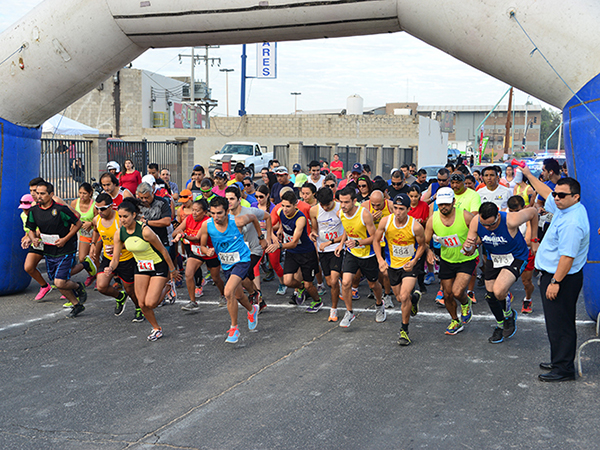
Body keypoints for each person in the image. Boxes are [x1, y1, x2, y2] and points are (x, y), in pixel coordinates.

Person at [521, 166, 589, 382]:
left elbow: (567, 257)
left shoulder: (572, 222)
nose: (556, 198)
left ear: (575, 196)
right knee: (557, 322)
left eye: (561, 195)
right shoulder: (566, 208)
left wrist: (556, 281)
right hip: (557, 276)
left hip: (562, 278)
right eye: (556, 194)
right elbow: (545, 192)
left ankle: (563, 369)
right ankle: (560, 359)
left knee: (560, 324)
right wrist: (529, 175)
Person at [464, 201, 538, 343]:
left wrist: (534, 239)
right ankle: (500, 324)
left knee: (499, 291)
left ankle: (509, 315)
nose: (487, 228)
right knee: (490, 296)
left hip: (515, 257)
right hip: (495, 257)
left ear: (498, 216)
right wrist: (468, 247)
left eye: (491, 225)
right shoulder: (475, 221)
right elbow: (470, 249)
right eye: (484, 225)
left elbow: (533, 213)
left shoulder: (511, 219)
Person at [108, 198, 180, 341]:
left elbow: (164, 251)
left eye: (125, 216)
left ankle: (167, 287)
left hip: (158, 265)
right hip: (141, 266)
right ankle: (156, 328)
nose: (122, 220)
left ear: (134, 215)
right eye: (120, 216)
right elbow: (115, 258)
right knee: (142, 304)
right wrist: (110, 268)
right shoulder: (119, 233)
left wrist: (172, 271)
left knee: (151, 303)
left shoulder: (145, 231)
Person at [200, 196, 260, 344]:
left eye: (219, 213)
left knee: (228, 292)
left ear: (227, 211)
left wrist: (262, 237)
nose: (216, 217)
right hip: (226, 264)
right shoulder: (207, 225)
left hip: (242, 260)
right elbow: (202, 245)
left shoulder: (237, 221)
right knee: (238, 295)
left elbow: (253, 217)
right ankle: (252, 310)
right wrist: (206, 251)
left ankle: (234, 328)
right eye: (213, 213)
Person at [26, 182, 87, 318]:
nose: (39, 196)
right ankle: (77, 304)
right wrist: (34, 238)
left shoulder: (60, 210)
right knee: (58, 282)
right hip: (49, 250)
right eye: (37, 193)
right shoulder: (34, 211)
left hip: (65, 249)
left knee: (60, 281)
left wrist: (65, 239)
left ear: (51, 194)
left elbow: (78, 223)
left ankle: (78, 286)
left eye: (42, 193)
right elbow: (31, 229)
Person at [373, 194, 426, 346]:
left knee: (403, 296)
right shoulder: (386, 221)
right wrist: (380, 260)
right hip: (393, 265)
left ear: (409, 209)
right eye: (395, 208)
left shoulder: (415, 226)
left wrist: (414, 260)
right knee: (399, 298)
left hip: (409, 265)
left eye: (402, 209)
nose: (398, 212)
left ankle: (404, 331)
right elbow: (376, 241)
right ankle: (414, 299)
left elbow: (422, 245)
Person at [424, 187, 476, 335]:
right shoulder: (433, 219)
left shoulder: (465, 216)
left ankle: (466, 303)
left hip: (466, 258)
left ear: (454, 202)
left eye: (446, 203)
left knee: (457, 291)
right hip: (447, 260)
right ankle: (455, 320)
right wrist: (428, 252)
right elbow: (425, 242)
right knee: (447, 295)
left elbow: (480, 233)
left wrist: (473, 245)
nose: (443, 207)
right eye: (440, 204)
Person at [335, 186, 386, 327]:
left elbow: (375, 237)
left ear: (354, 201)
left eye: (346, 202)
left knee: (373, 284)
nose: (343, 205)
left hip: (368, 254)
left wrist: (358, 242)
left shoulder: (364, 214)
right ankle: (349, 312)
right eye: (341, 202)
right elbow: (346, 228)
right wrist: (341, 243)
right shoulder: (341, 213)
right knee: (345, 283)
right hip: (352, 253)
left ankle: (379, 305)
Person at [266, 190, 323, 313]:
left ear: (295, 205)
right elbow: (273, 221)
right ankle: (301, 287)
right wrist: (280, 230)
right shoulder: (281, 212)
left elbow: (294, 243)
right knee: (287, 281)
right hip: (292, 253)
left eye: (288, 206)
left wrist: (279, 245)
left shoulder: (300, 219)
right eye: (283, 205)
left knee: (309, 285)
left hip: (306, 253)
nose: (285, 209)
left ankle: (317, 301)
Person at [90, 193, 143, 322]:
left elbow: (133, 238)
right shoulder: (97, 220)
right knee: (101, 286)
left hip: (126, 258)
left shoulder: (120, 220)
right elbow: (96, 230)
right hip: (109, 258)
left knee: (130, 289)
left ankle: (138, 308)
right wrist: (93, 244)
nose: (100, 211)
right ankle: (120, 296)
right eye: (97, 208)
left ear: (111, 207)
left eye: (103, 208)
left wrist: (119, 247)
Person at [172, 199, 225, 311]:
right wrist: (178, 234)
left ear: (205, 212)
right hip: (196, 252)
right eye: (193, 210)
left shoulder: (207, 221)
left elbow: (196, 238)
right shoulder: (189, 218)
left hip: (209, 251)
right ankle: (193, 302)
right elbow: (176, 231)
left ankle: (223, 294)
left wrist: (184, 235)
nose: (194, 213)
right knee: (189, 274)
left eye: (197, 211)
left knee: (216, 278)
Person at [226, 185, 272, 312]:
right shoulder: (225, 215)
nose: (229, 202)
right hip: (238, 252)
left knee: (242, 274)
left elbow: (268, 217)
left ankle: (254, 294)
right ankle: (258, 298)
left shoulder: (249, 211)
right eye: (227, 199)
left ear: (239, 199)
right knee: (246, 277)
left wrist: (266, 238)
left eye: (232, 199)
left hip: (254, 249)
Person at [309, 186, 344, 321]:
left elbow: (347, 231)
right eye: (322, 205)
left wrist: (335, 243)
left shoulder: (341, 208)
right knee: (329, 282)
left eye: (328, 204)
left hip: (336, 247)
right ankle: (339, 284)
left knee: (334, 280)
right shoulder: (314, 210)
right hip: (322, 249)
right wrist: (313, 234)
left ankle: (333, 310)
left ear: (333, 199)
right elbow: (314, 229)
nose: (325, 208)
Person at [507, 195, 539, 314]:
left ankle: (528, 299)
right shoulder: (504, 216)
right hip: (510, 253)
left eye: (517, 211)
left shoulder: (528, 219)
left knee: (526, 282)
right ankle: (505, 295)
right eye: (511, 211)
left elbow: (528, 239)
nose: (514, 214)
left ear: (524, 208)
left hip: (525, 253)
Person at [70, 183, 96, 287]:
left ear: (90, 193)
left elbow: (100, 221)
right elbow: (72, 218)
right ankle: (92, 274)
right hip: (84, 235)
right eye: (80, 193)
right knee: (82, 258)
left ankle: (99, 277)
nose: (82, 196)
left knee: (94, 257)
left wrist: (91, 223)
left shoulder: (94, 205)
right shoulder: (74, 203)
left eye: (84, 193)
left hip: (95, 234)